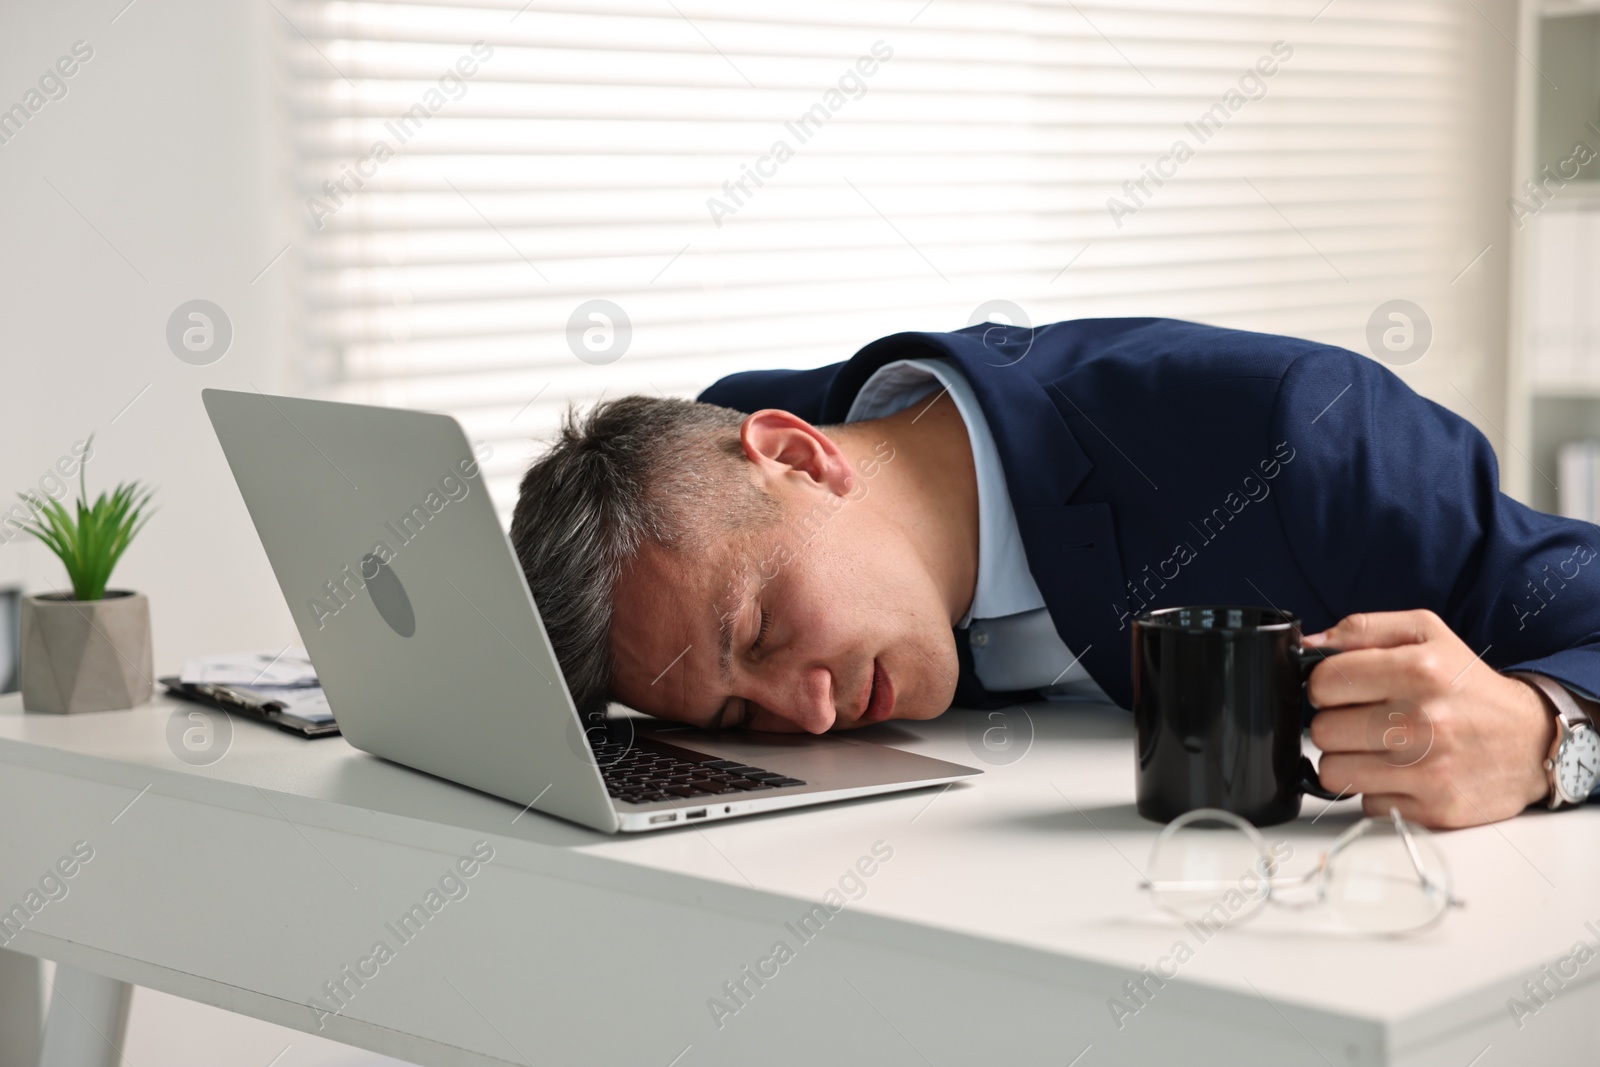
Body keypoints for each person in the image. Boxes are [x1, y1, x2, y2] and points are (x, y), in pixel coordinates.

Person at [509, 317, 1600, 828]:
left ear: (802, 456)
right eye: (740, 719)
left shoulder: (1290, 435)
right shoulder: (712, 450)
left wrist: (1548, 733)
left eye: (756, 634)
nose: (808, 706)